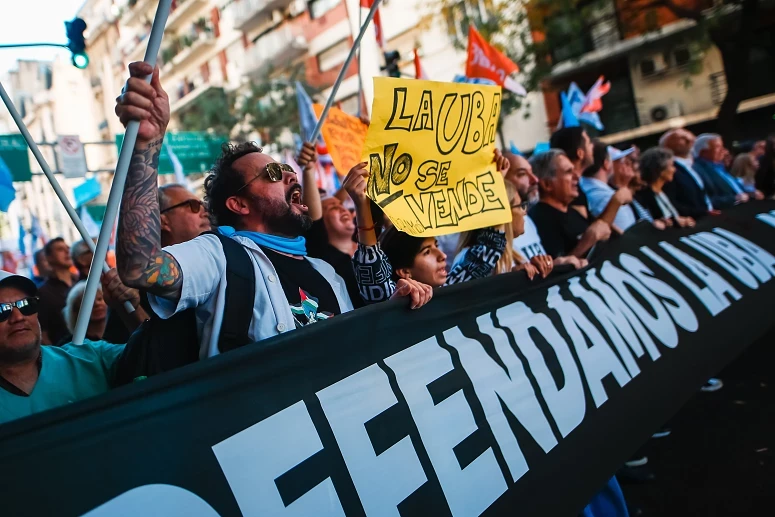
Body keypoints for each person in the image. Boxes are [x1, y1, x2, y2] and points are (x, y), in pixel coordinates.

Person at [113, 62, 429, 360]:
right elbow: (142, 268)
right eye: (273, 174)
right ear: (239, 204)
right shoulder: (218, 256)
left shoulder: (326, 273)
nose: (291, 175)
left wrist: (395, 307)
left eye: (285, 168)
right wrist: (146, 146)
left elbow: (356, 348)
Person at [346, 149, 511, 296]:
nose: (443, 256)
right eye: (426, 252)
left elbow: (488, 248)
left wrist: (495, 183)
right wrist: (362, 205)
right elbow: (372, 273)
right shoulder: (391, 303)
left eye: (436, 246)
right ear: (405, 272)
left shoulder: (450, 291)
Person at [0, 270, 124, 425]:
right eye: (2, 311)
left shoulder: (90, 357)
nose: (18, 317)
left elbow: (153, 353)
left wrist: (129, 306)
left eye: (26, 305)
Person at [296, 143, 364, 308]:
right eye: (333, 208)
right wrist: (309, 169)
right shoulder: (323, 256)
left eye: (343, 206)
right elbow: (313, 217)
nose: (343, 209)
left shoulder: (369, 243)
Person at [453, 182, 552, 280]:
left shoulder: (512, 250)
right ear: (504, 213)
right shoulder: (470, 258)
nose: (524, 212)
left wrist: (537, 270)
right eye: (521, 206)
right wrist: (511, 279)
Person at [505, 151, 586, 270]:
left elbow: (543, 270)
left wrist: (557, 264)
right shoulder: (493, 234)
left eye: (532, 172)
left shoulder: (527, 220)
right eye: (522, 174)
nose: (535, 179)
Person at [528, 149, 611, 259]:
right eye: (568, 172)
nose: (577, 177)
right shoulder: (539, 220)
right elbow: (554, 270)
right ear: (547, 184)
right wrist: (587, 241)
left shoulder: (572, 211)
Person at [58, 270, 147, 346]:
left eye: (100, 299)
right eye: (89, 301)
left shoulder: (123, 332)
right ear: (75, 311)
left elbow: (151, 338)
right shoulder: (71, 345)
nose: (97, 304)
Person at [579, 142, 636, 234]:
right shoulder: (606, 197)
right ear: (606, 164)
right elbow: (630, 233)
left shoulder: (584, 190)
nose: (628, 164)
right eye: (622, 162)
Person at [692, 133, 761, 208]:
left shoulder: (720, 166)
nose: (724, 150)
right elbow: (707, 200)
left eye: (722, 146)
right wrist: (734, 199)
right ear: (703, 152)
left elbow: (735, 189)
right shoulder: (699, 170)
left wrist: (751, 194)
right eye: (718, 147)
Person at [659, 128, 715, 219]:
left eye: (688, 136)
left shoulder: (696, 165)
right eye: (681, 138)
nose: (689, 140)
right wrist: (703, 213)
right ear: (666, 146)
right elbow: (674, 203)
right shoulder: (668, 171)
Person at [635, 148, 696, 228]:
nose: (674, 170)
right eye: (671, 166)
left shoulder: (666, 191)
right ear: (660, 169)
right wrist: (676, 222)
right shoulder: (645, 196)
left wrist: (684, 221)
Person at [37, 237, 78, 345]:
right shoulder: (43, 292)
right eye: (60, 249)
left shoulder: (82, 282)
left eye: (68, 248)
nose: (67, 251)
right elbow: (43, 334)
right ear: (49, 258)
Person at [550, 127, 594, 220]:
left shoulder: (574, 186)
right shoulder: (570, 192)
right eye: (589, 143)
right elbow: (586, 231)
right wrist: (615, 202)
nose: (592, 146)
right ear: (580, 153)